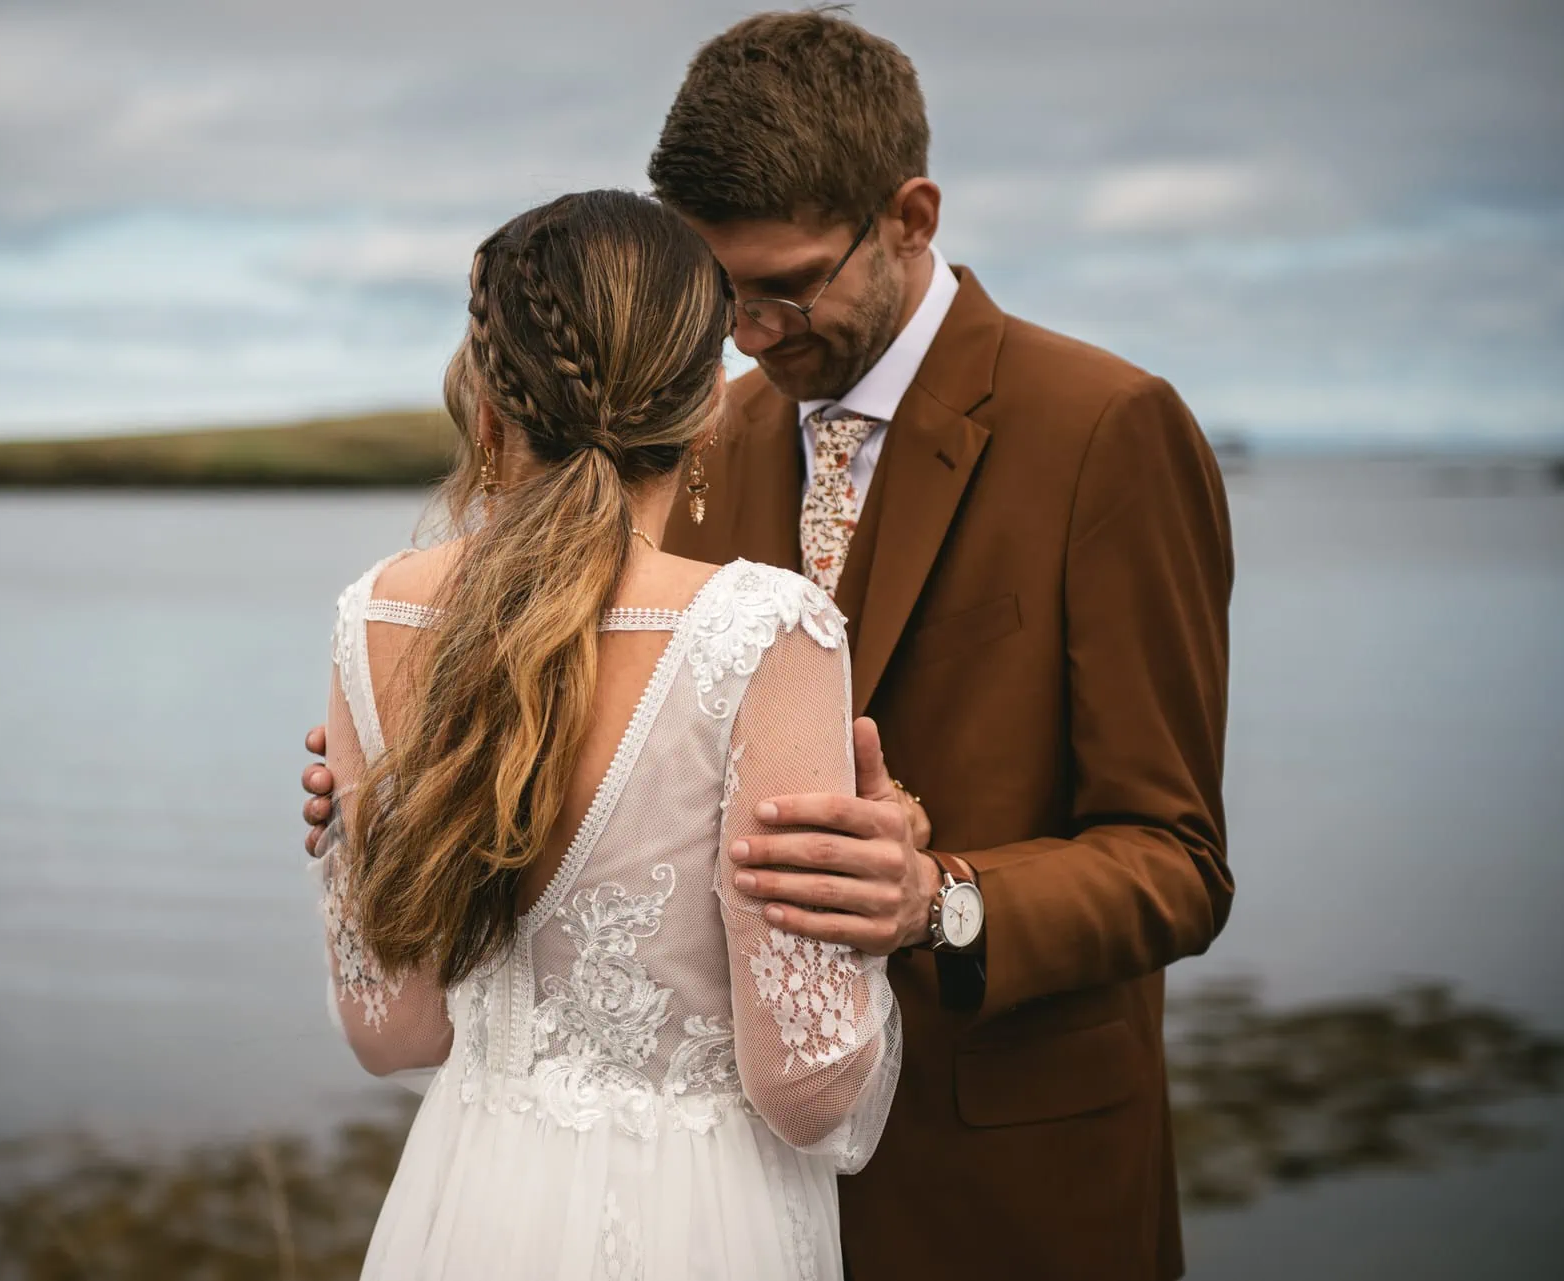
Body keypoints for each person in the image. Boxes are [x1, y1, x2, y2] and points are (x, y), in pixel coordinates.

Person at [308, 13, 1235, 1279]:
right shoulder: (689, 436)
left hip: (1000, 1185)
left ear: (911, 214)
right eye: (718, 293)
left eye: (786, 287)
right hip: (706, 1205)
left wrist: (941, 901)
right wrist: (436, 791)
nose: (748, 333)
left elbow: (1177, 857)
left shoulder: (1105, 430)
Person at [313, 188, 901, 1281]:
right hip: (701, 1223)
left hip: (465, 1206)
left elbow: (391, 1035)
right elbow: (808, 1087)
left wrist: (358, 845)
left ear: (488, 399)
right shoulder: (769, 631)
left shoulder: (377, 616)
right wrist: (880, 914)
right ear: (708, 406)